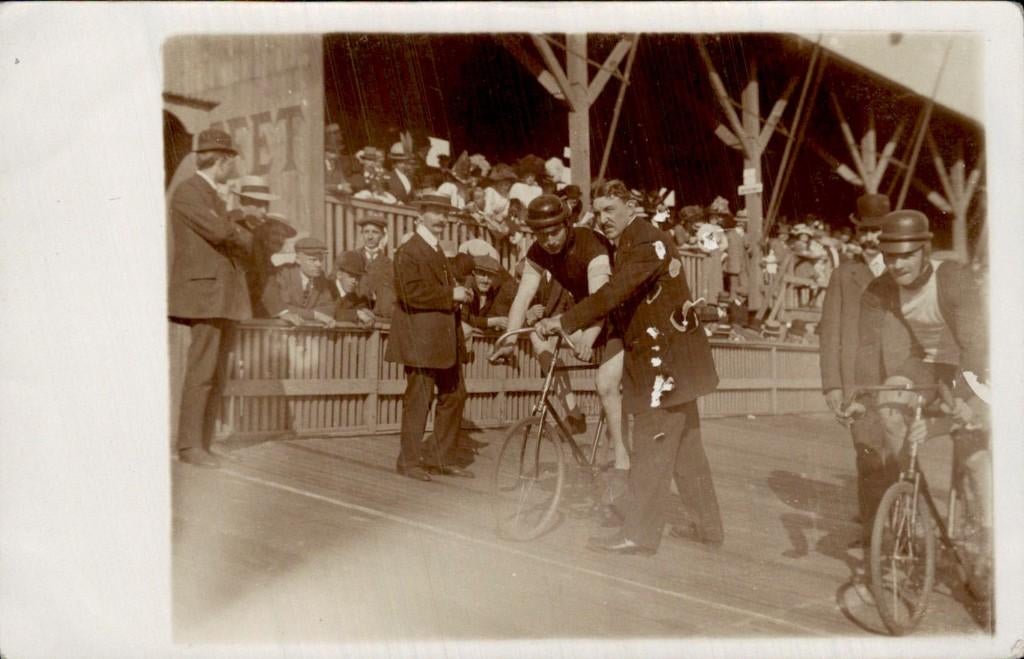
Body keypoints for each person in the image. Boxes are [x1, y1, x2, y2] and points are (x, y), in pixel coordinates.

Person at [536, 179, 723, 555]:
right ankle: (709, 529)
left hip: (664, 365)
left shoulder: (644, 243)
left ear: (631, 208)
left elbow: (612, 294)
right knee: (687, 451)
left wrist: (567, 321)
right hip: (676, 363)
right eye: (599, 212)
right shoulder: (630, 243)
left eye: (611, 210)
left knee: (650, 448)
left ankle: (638, 534)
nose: (603, 219)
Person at [853, 209, 990, 593]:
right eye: (891, 256)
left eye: (907, 255)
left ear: (925, 251)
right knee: (889, 402)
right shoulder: (879, 289)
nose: (897, 264)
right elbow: (866, 347)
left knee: (974, 449)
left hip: (979, 366)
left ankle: (991, 540)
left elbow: (976, 347)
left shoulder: (953, 278)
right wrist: (862, 394)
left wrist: (963, 400)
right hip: (930, 365)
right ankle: (908, 497)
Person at [490, 194, 630, 498]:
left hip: (617, 312)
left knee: (605, 384)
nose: (549, 240)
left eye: (554, 232)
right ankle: (571, 408)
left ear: (567, 224)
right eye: (542, 234)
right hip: (586, 311)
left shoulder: (591, 246)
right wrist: (511, 339)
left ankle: (622, 460)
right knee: (538, 334)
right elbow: (523, 297)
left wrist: (589, 339)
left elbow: (602, 301)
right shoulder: (538, 251)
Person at [168, 129, 250, 469]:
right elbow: (223, 233)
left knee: (215, 372)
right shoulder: (190, 192)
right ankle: (189, 446)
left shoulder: (212, 195)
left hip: (222, 294)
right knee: (202, 370)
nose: (233, 167)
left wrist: (233, 223)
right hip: (206, 292)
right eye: (231, 160)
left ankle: (202, 443)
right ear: (222, 160)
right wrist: (234, 220)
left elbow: (239, 237)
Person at [817, 192, 890, 550]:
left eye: (878, 231)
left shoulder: (902, 270)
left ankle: (902, 524)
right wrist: (832, 386)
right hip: (858, 384)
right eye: (865, 231)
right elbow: (829, 332)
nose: (871, 238)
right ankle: (874, 534)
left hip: (898, 380)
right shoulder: (844, 275)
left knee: (900, 455)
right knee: (866, 456)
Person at [385, 192, 475, 482]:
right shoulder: (409, 250)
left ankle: (439, 457)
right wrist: (452, 294)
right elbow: (409, 294)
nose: (441, 218)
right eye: (435, 212)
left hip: (442, 340)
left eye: (444, 213)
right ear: (419, 215)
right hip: (421, 340)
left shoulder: (436, 249)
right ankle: (409, 461)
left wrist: (459, 295)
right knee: (419, 400)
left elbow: (435, 290)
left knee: (455, 395)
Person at [261, 237, 337, 328]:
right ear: (298, 259)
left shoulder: (321, 278)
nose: (318, 264)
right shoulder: (282, 273)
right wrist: (315, 315)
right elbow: (275, 304)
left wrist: (298, 312)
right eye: (313, 260)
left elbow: (329, 309)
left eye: (321, 260)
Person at [353, 213, 396, 318]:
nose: (370, 237)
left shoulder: (389, 264)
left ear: (382, 235)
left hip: (380, 318)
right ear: (361, 234)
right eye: (366, 232)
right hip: (356, 316)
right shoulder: (350, 258)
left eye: (375, 232)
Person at [465, 255, 515, 332]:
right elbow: (464, 318)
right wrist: (492, 322)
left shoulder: (492, 293)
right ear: (474, 273)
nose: (486, 280)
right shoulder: (467, 289)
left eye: (490, 276)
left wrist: (498, 323)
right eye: (482, 274)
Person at [332, 250, 376, 328]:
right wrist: (357, 314)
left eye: (358, 277)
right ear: (339, 274)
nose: (354, 281)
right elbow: (331, 312)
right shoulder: (327, 289)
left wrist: (364, 311)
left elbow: (359, 307)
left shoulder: (352, 295)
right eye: (351, 276)